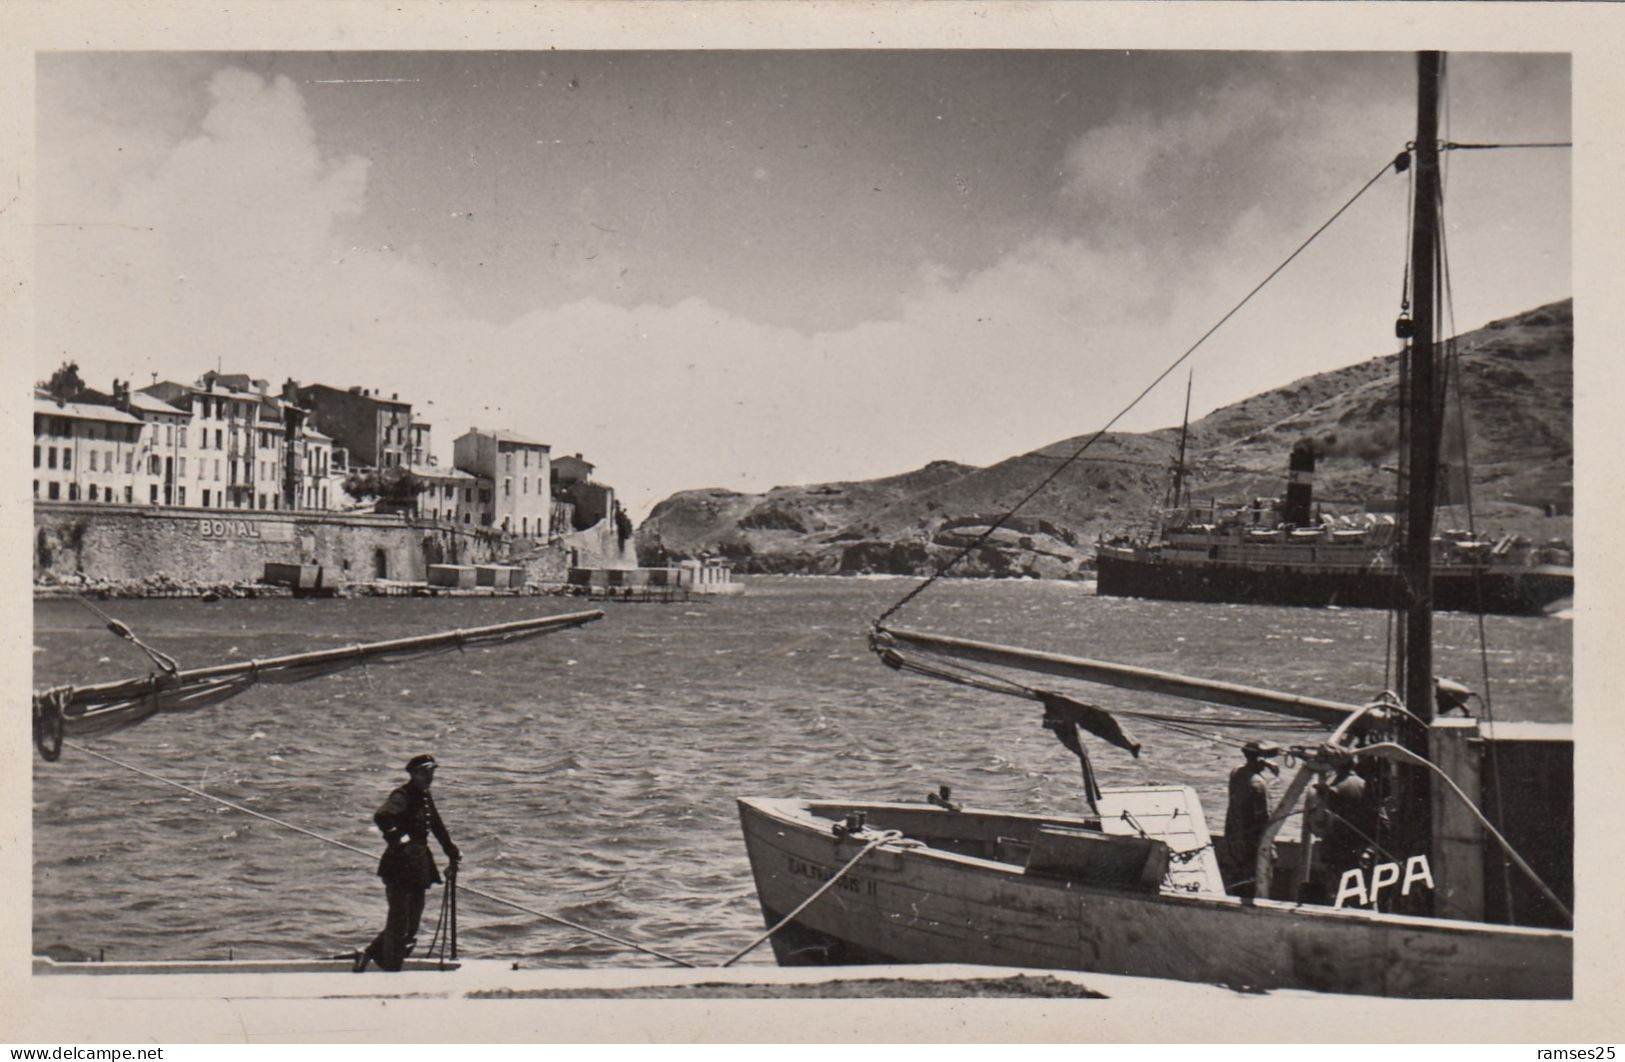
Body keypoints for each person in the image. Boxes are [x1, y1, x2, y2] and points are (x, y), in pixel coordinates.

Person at [355, 753, 461, 972]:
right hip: (399, 866)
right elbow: (383, 816)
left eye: (431, 773)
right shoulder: (402, 794)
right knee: (399, 923)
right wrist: (398, 838)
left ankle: (371, 953)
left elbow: (437, 826)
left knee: (411, 924)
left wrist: (451, 851)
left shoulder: (424, 796)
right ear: (413, 774)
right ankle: (392, 969)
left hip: (419, 866)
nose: (429, 777)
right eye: (424, 773)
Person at [1222, 741, 1279, 898]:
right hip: (1252, 846)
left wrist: (1262, 761)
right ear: (1260, 760)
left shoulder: (1236, 773)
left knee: (1238, 881)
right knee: (1256, 884)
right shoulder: (1259, 784)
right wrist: (1271, 850)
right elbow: (1265, 820)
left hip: (1234, 839)